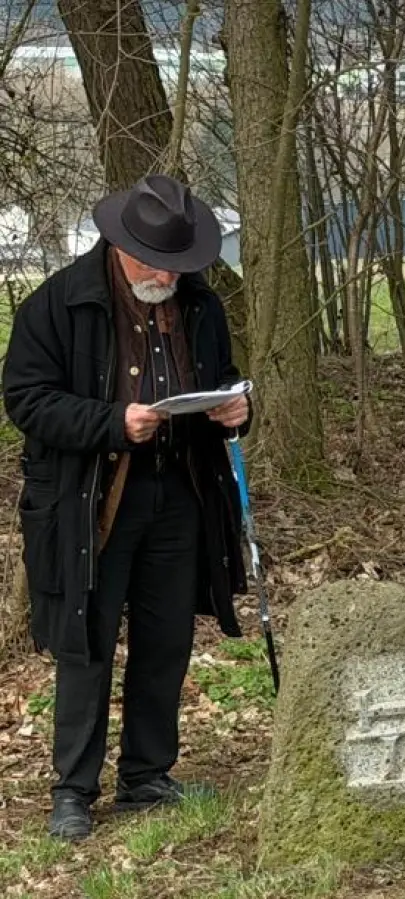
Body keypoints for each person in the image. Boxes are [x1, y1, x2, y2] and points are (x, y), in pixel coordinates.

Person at [4, 174, 252, 842]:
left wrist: (235, 409)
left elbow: (220, 379)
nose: (165, 275)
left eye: (177, 264)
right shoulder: (60, 304)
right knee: (85, 643)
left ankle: (147, 775)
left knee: (166, 637)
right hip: (91, 502)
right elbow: (26, 399)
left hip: (181, 494)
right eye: (155, 261)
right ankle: (73, 791)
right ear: (121, 242)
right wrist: (116, 422)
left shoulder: (200, 305)